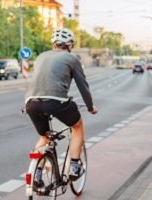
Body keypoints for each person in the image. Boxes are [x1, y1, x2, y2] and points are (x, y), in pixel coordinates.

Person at [24, 28, 98, 182]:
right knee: (77, 126)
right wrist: (90, 107)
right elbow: (83, 87)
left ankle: (36, 176)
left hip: (31, 103)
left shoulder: (41, 57)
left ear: (54, 45)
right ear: (70, 45)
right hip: (55, 102)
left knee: (44, 137)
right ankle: (74, 167)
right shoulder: (72, 59)